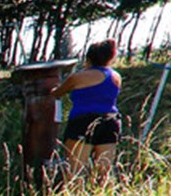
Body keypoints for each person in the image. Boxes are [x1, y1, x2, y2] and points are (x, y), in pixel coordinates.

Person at [50, 39, 123, 183]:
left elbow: (57, 93)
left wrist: (51, 88)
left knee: (75, 171)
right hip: (110, 122)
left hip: (82, 122)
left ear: (88, 58)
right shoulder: (116, 77)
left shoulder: (78, 77)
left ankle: (75, 195)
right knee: (104, 172)